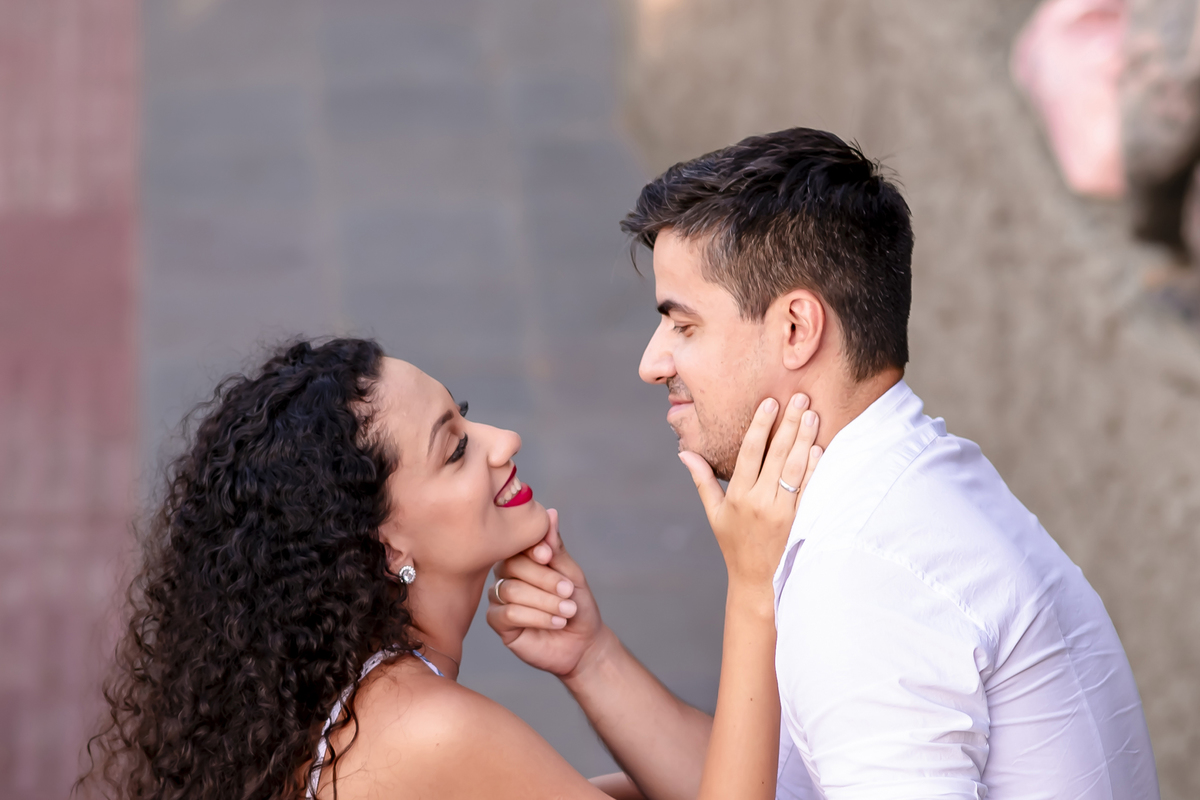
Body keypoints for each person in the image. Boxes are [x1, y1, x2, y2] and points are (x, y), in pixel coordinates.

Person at [488, 127, 1161, 799]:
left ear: (796, 329)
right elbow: (768, 786)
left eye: (683, 325)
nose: (651, 363)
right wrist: (592, 656)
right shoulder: (897, 485)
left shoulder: (865, 568)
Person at [78, 337, 820, 800]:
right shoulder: (428, 733)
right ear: (386, 544)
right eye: (456, 447)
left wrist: (592, 658)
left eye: (465, 416)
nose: (504, 440)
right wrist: (754, 589)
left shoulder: (364, 711)